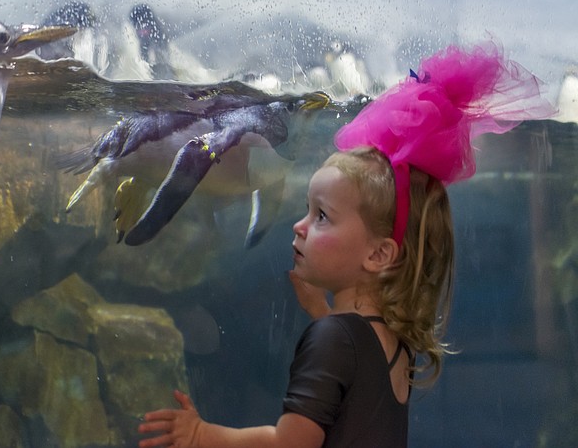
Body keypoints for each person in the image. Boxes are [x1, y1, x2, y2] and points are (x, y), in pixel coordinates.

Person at [137, 42, 555, 448]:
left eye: (322, 216)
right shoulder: (392, 338)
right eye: (307, 209)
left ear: (378, 254)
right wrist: (321, 311)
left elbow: (292, 442)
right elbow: (358, 384)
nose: (299, 226)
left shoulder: (334, 340)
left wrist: (201, 436)